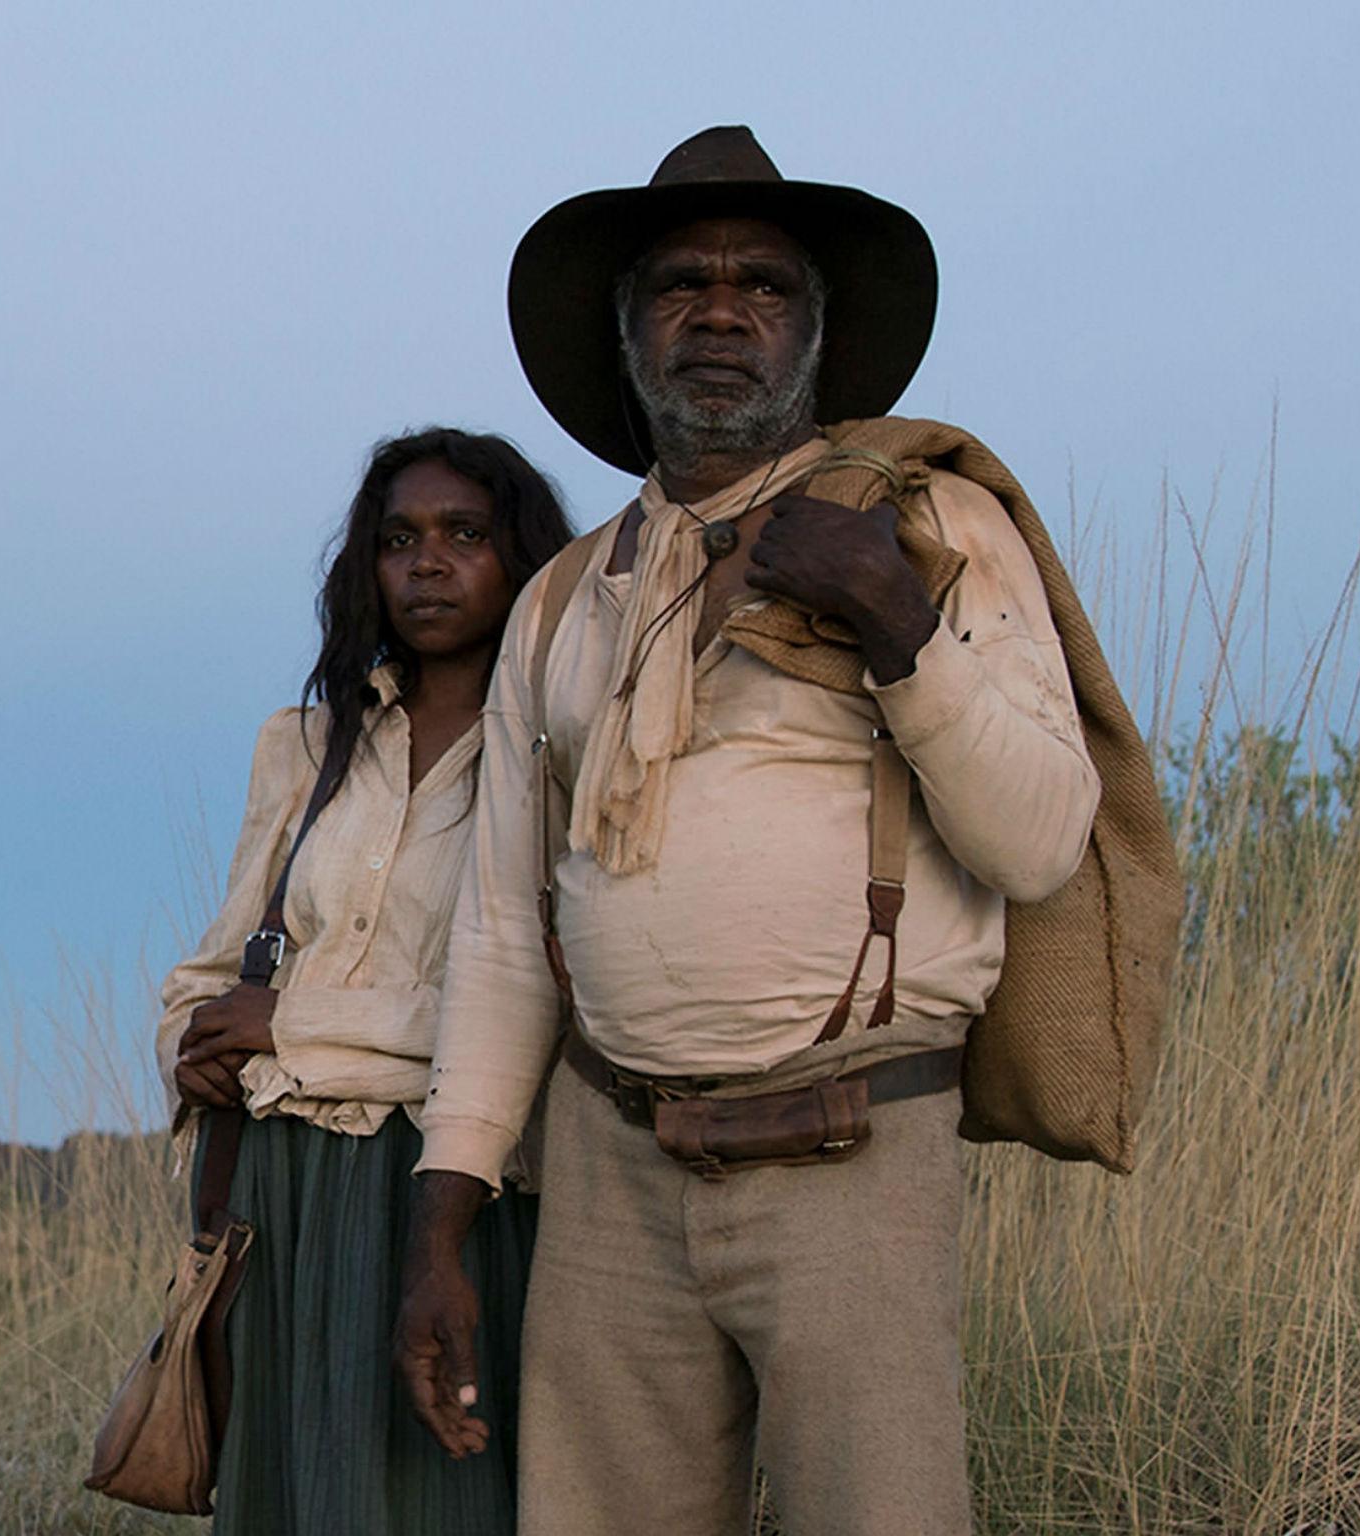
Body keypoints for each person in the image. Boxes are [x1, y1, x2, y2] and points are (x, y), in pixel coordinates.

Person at [394, 128, 1111, 1534]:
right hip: (610, 1164)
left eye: (764, 286)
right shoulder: (559, 598)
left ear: (817, 331)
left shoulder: (932, 525)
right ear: (626, 335)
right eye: (678, 285)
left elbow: (1040, 846)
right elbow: (500, 932)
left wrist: (899, 619)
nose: (720, 312)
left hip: (854, 1146)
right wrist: (445, 1219)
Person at [157, 427, 572, 1535]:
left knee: (443, 1499)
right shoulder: (304, 744)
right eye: (398, 540)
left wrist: (292, 1029)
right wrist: (193, 1051)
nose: (426, 564)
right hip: (280, 1189)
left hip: (455, 1187)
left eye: (464, 535)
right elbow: (205, 977)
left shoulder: (563, 751)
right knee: (294, 1496)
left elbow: (535, 1014)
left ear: (522, 559)